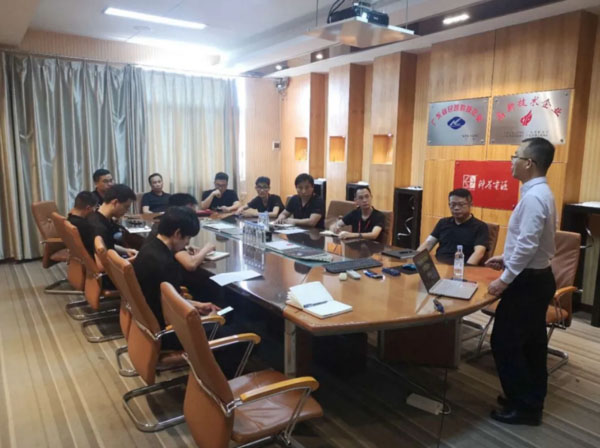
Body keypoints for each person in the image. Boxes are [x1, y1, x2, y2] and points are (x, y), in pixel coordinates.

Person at [486, 137, 557, 426]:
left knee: (505, 342)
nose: (511, 161)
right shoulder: (540, 193)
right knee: (532, 344)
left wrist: (504, 280)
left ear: (529, 163)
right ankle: (528, 398)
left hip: (528, 283)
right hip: (537, 278)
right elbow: (532, 242)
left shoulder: (534, 197)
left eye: (515, 156)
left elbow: (528, 244)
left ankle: (525, 407)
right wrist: (506, 256)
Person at [133, 206, 220, 349]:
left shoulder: (149, 246)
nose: (187, 243)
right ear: (178, 234)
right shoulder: (166, 264)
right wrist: (207, 320)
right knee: (233, 329)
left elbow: (169, 300)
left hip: (147, 327)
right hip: (168, 332)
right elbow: (174, 313)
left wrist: (198, 305)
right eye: (188, 238)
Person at [417, 188, 489, 265]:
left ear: (470, 205)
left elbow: (479, 252)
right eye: (453, 204)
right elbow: (429, 243)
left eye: (461, 204)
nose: (456, 208)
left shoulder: (480, 226)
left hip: (461, 267)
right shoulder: (443, 222)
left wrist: (466, 269)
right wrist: (414, 260)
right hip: (439, 266)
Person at [145, 193, 215, 271]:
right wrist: (206, 249)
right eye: (189, 213)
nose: (193, 217)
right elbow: (191, 264)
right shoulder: (172, 234)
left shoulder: (163, 224)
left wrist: (186, 248)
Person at [82, 184, 138, 260]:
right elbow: (104, 262)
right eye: (126, 207)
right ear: (115, 202)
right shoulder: (99, 228)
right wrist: (133, 260)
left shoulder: (97, 216)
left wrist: (126, 250)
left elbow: (108, 246)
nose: (126, 211)